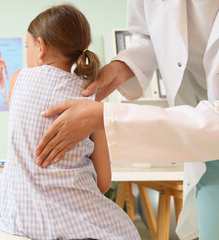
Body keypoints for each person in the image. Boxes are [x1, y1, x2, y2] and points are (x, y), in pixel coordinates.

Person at [35, 1, 219, 239]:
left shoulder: (23, 82)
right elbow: (149, 36)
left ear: (39, 47)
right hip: (204, 143)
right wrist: (123, 66)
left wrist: (104, 117)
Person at [0, 4, 140, 240]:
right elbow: (103, 182)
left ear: (40, 47)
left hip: (20, 220)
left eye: (27, 46)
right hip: (78, 220)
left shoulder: (18, 79)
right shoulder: (91, 94)